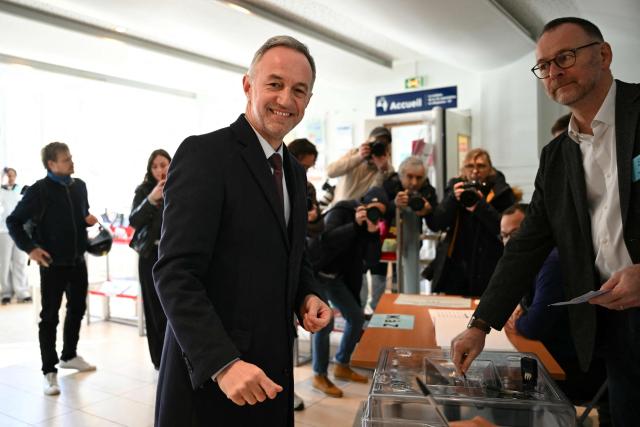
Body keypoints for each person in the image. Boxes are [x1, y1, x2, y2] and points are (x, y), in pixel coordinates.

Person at [451, 17, 640, 425]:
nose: (554, 72)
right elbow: (526, 243)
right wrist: (480, 324)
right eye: (544, 66)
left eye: (566, 57)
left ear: (603, 55)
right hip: (612, 328)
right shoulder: (556, 157)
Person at [152, 36, 332, 426]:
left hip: (272, 375)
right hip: (214, 381)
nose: (286, 99)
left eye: (298, 90)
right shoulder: (205, 155)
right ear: (248, 85)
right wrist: (222, 363)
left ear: (308, 101)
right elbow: (175, 273)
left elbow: (291, 254)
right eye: (275, 84)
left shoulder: (297, 175)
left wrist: (308, 294)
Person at [501, 204, 609, 422]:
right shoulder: (538, 259)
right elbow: (524, 299)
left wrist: (520, 319)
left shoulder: (553, 261)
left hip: (576, 367)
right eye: (504, 236)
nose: (509, 242)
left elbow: (533, 327)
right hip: (563, 354)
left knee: (504, 384)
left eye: (515, 233)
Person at [6, 142, 98, 396]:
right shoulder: (39, 191)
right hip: (51, 265)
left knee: (77, 309)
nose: (71, 161)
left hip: (78, 261)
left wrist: (88, 220)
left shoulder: (79, 186)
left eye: (71, 157)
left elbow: (80, 215)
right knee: (49, 317)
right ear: (52, 164)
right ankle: (50, 371)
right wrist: (31, 249)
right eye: (66, 159)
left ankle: (69, 355)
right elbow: (13, 221)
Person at [309, 187, 388, 398]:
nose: (374, 214)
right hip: (315, 273)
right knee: (325, 323)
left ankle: (342, 364)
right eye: (372, 208)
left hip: (336, 278)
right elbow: (326, 240)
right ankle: (319, 374)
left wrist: (372, 234)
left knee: (356, 316)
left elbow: (371, 261)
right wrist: (354, 224)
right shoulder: (342, 210)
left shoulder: (371, 226)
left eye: (379, 212)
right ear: (364, 203)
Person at [425, 148, 515, 297]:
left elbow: (503, 228)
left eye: (481, 166)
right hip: (456, 265)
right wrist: (452, 198)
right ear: (463, 169)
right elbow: (437, 223)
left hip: (489, 263)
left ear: (490, 169)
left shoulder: (501, 192)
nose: (475, 171)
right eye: (470, 166)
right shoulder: (455, 188)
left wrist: (480, 206)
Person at [286, 137, 322, 411]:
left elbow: (303, 241)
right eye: (303, 165)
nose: (305, 172)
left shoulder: (303, 184)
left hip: (294, 276)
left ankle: (288, 391)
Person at [129, 149, 171, 370]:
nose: (159, 170)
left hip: (172, 255)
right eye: (155, 166)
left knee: (172, 309)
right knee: (153, 309)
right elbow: (134, 220)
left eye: (163, 164)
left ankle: (175, 359)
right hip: (149, 255)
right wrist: (152, 198)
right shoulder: (144, 190)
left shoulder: (181, 185)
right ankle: (159, 361)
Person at [379, 155, 438, 307]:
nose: (414, 183)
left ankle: (410, 307)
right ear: (401, 175)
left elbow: (437, 222)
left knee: (411, 277)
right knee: (384, 282)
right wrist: (394, 204)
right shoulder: (389, 185)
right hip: (385, 242)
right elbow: (378, 212)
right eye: (409, 177)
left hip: (412, 243)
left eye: (419, 178)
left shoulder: (428, 190)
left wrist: (427, 210)